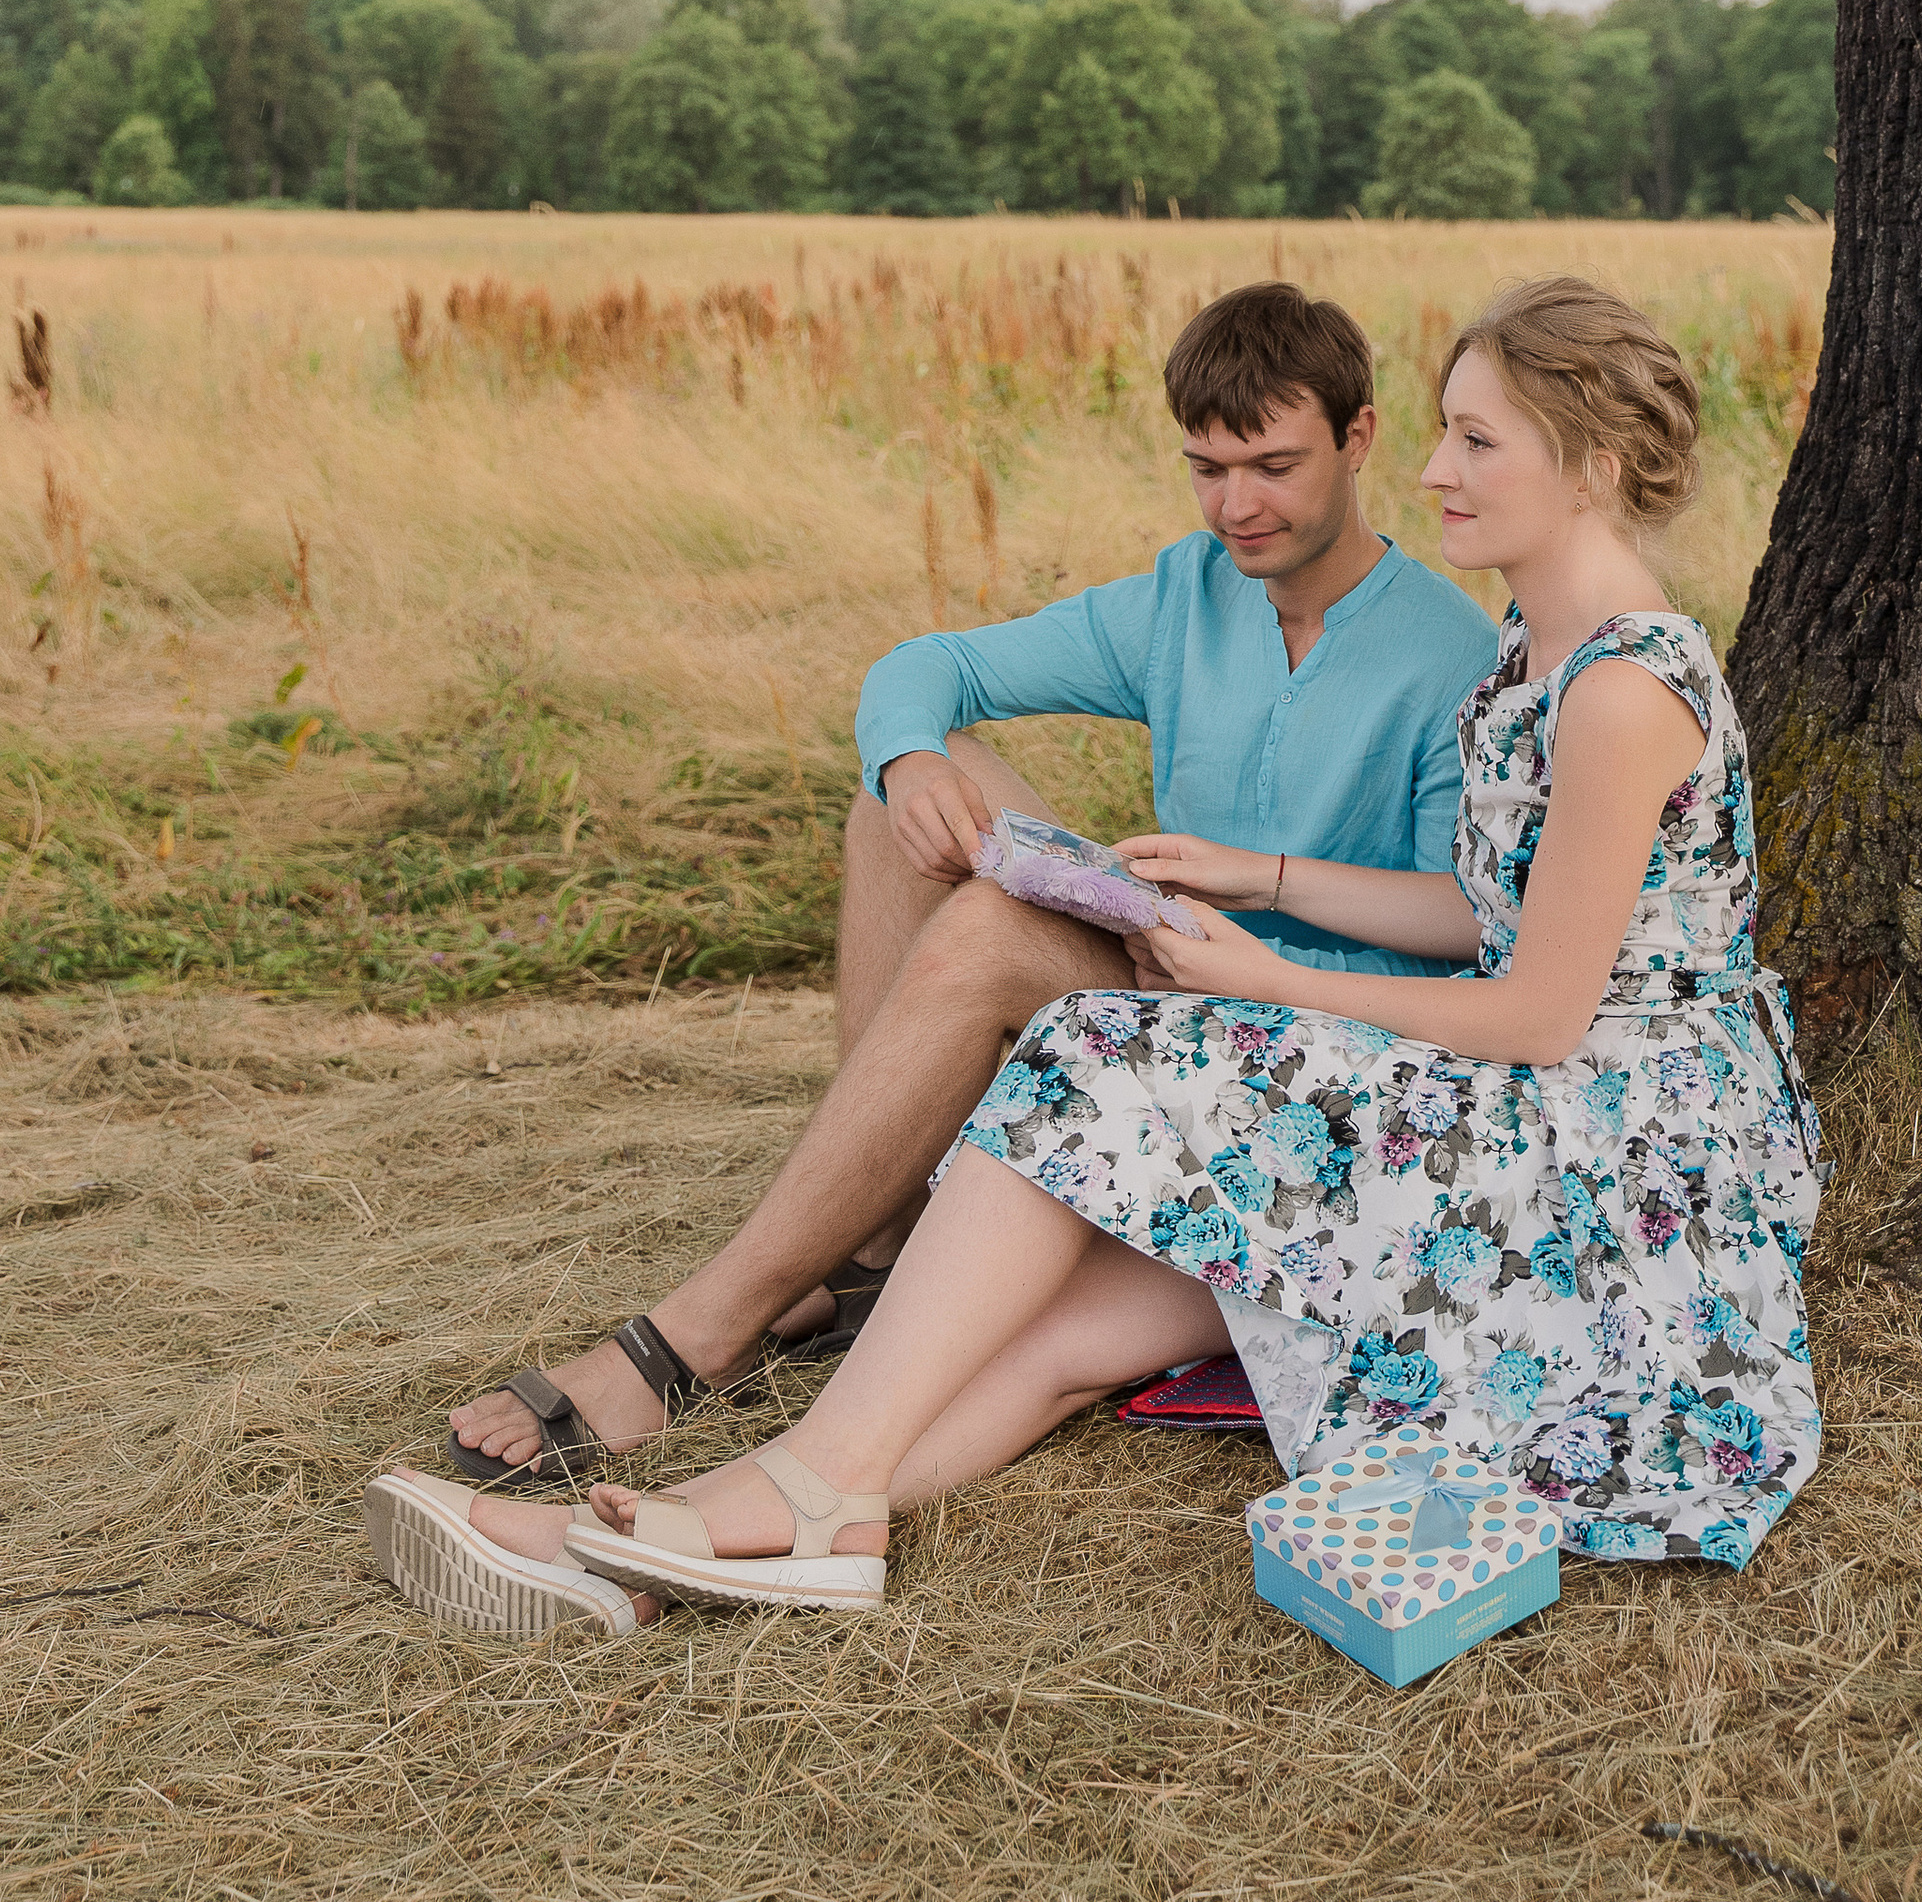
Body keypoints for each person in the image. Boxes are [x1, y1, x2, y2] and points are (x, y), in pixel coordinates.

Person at [500, 277, 1823, 1616]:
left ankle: (789, 1476)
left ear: (1592, 464)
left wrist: (1266, 973)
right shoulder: (1528, 660)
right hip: (1516, 1090)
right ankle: (732, 1527)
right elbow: (1488, 911)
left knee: (1092, 1058)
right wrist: (1267, 878)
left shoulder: (1619, 691)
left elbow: (1540, 1012)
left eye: (1478, 441)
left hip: (1607, 1136)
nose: (1438, 471)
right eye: (1445, 431)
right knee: (1072, 1335)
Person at [371, 282, 1497, 1634]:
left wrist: (1255, 906)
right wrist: (907, 757)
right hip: (1166, 980)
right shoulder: (1183, 597)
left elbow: (1463, 921)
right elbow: (927, 667)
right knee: (909, 797)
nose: (1237, 505)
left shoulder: (1452, 652)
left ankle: (704, 1334)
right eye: (1207, 468)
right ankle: (877, 1239)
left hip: (1300, 1032)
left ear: (1361, 436)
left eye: (1274, 465)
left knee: (987, 929)